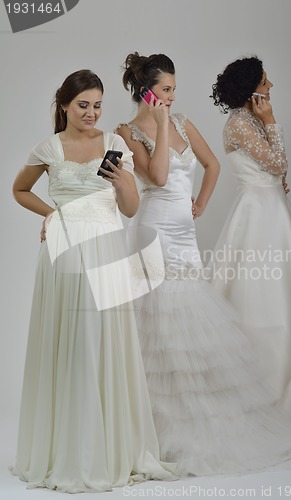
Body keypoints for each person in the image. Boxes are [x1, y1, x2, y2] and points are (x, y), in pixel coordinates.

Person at [115, 52, 291, 477]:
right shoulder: (127, 132)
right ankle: (156, 425)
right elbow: (161, 177)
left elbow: (212, 163)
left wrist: (201, 202)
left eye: (173, 90)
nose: (170, 97)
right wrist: (162, 126)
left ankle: (198, 413)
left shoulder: (184, 120)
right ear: (145, 91)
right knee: (158, 324)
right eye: (164, 90)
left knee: (193, 322)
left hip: (184, 234)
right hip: (153, 233)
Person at [11, 69, 178, 493]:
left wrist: (124, 182)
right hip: (64, 253)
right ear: (64, 104)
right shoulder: (49, 147)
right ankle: (70, 450)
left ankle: (107, 448)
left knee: (102, 344)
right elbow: (20, 190)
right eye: (83, 104)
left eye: (98, 104)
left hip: (105, 251)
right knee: (73, 343)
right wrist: (50, 213)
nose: (91, 112)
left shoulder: (114, 144)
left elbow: (129, 208)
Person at [209, 56, 291, 426]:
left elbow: (277, 168)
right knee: (261, 297)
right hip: (260, 216)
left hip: (273, 210)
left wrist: (277, 169)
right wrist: (272, 122)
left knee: (288, 294)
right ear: (252, 89)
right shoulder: (241, 124)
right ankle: (262, 388)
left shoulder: (249, 122)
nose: (271, 86)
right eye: (265, 81)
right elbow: (278, 164)